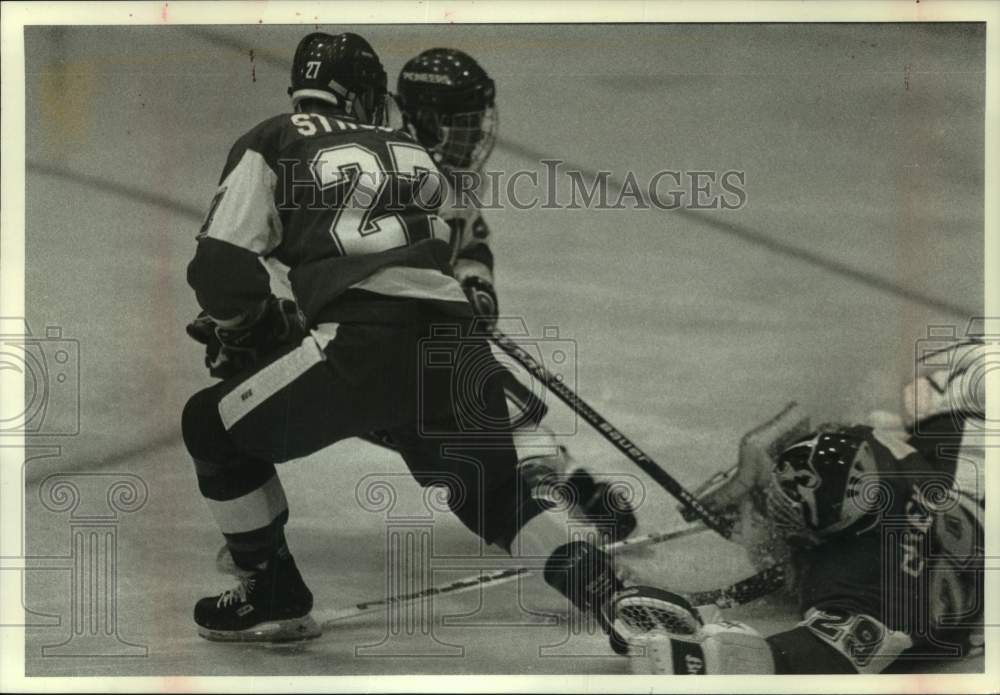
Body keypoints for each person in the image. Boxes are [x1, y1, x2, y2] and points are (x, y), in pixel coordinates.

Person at [181, 31, 676, 647]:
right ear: (367, 96)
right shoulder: (405, 148)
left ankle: (269, 586)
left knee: (208, 426)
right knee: (496, 496)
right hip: (455, 346)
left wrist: (249, 333)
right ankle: (611, 594)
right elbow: (433, 253)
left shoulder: (274, 137)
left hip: (362, 347)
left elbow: (221, 270)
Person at [393, 47, 637, 541]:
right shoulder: (396, 177)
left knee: (485, 390)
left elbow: (472, 243)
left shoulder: (453, 176)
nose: (480, 132)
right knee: (474, 399)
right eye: (466, 121)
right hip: (372, 345)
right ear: (429, 120)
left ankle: (551, 473)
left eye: (480, 119)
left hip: (423, 344)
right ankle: (545, 489)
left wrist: (476, 285)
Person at [630, 342, 985, 674]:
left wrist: (701, 660)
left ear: (810, 538)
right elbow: (823, 434)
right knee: (949, 377)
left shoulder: (862, 581)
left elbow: (793, 660)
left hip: (968, 567)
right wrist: (762, 447)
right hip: (970, 499)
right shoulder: (872, 450)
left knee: (946, 377)